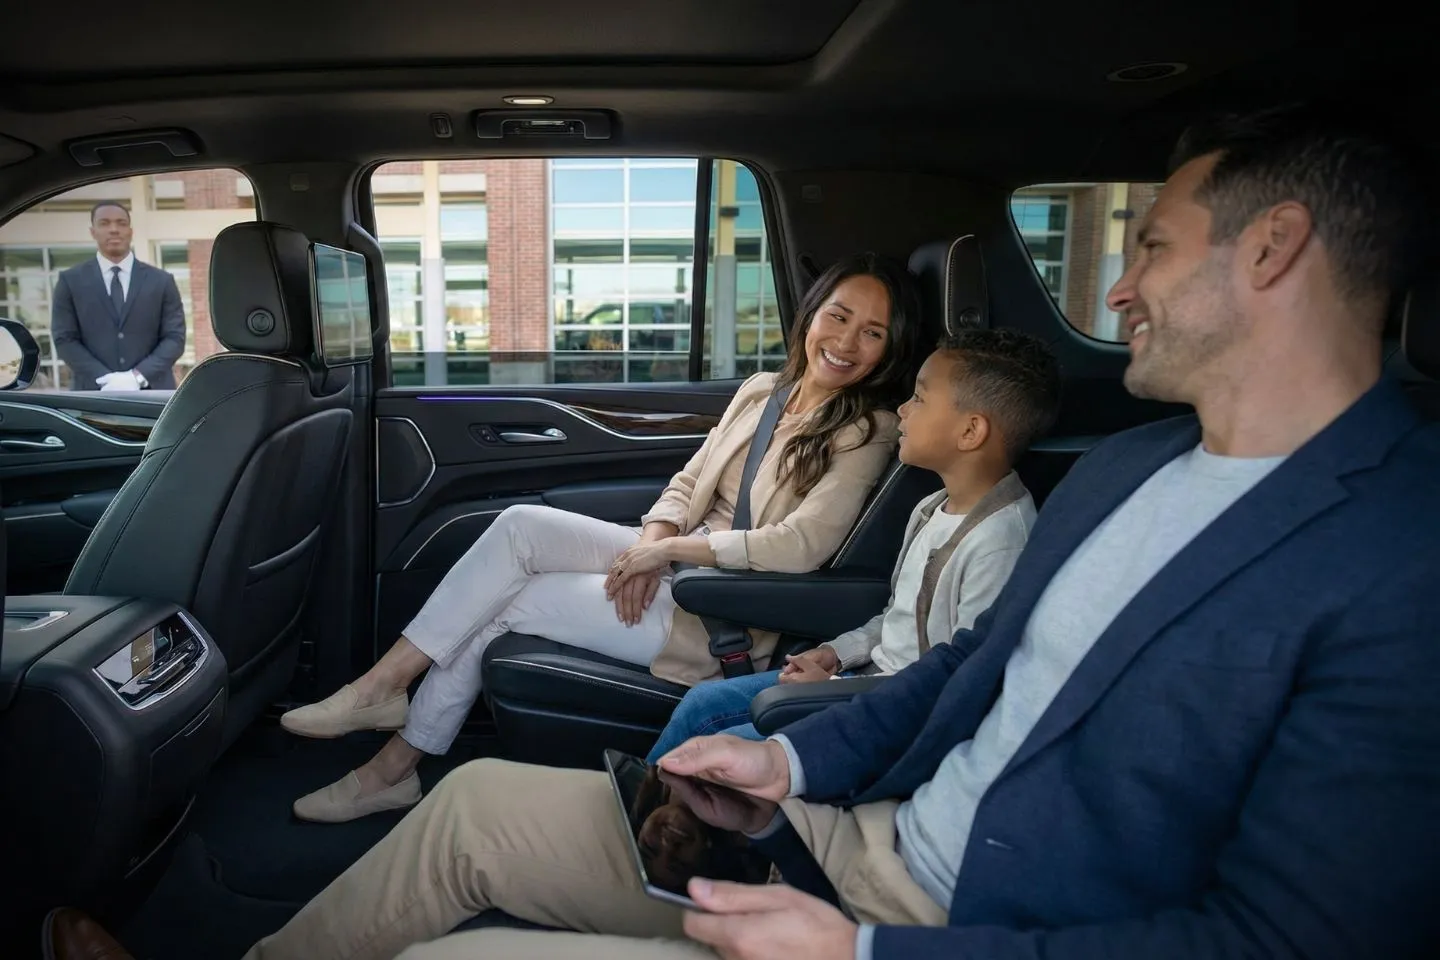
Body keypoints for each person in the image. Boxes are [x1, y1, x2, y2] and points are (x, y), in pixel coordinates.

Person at [243, 103, 1440, 960]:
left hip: (952, 922)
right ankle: (385, 774)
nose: (1121, 290)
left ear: (1275, 248)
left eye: (1155, 250)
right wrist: (793, 763)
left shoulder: (1403, 553)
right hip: (857, 830)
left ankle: (395, 715)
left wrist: (867, 949)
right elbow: (970, 667)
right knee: (474, 806)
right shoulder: (1131, 470)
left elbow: (1293, 935)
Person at [277, 253, 922, 823]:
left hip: (720, 609)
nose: (846, 342)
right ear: (811, 315)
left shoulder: (870, 429)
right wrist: (653, 538)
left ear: (888, 351)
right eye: (837, 317)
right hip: (675, 560)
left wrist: (666, 553)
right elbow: (689, 476)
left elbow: (802, 545)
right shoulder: (764, 391)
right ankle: (382, 689)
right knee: (518, 528)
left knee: (509, 604)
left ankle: (392, 768)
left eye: (872, 334)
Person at [644, 328, 1060, 762]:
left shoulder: (999, 543)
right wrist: (833, 656)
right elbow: (894, 619)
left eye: (918, 399)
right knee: (701, 704)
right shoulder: (933, 508)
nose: (901, 410)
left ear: (971, 431)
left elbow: (959, 684)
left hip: (894, 711)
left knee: (709, 753)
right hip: (867, 679)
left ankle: (664, 822)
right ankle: (652, 811)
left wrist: (837, 690)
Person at [50, 201, 186, 391]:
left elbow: (174, 338)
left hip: (153, 393)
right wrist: (106, 380)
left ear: (130, 231)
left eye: (121, 223)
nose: (114, 229)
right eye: (104, 223)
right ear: (93, 231)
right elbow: (64, 339)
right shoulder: (70, 281)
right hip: (91, 394)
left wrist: (137, 377)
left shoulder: (162, 281)